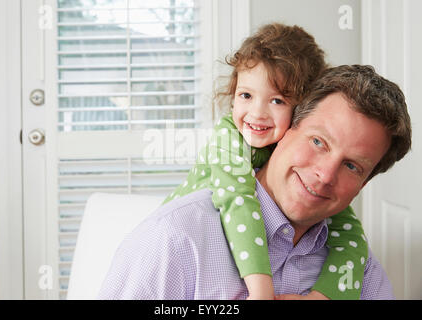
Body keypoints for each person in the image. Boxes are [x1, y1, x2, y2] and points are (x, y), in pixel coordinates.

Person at [98, 64, 412, 299]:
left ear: (364, 183)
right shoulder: (175, 239)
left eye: (352, 166)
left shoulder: (360, 272)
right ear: (286, 129)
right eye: (318, 142)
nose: (326, 174)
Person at [162, 23, 367, 300]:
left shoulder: (291, 156)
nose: (256, 113)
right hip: (178, 248)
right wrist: (261, 293)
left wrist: (324, 297)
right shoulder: (228, 138)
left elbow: (351, 237)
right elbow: (239, 202)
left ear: (302, 113)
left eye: (277, 101)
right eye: (246, 95)